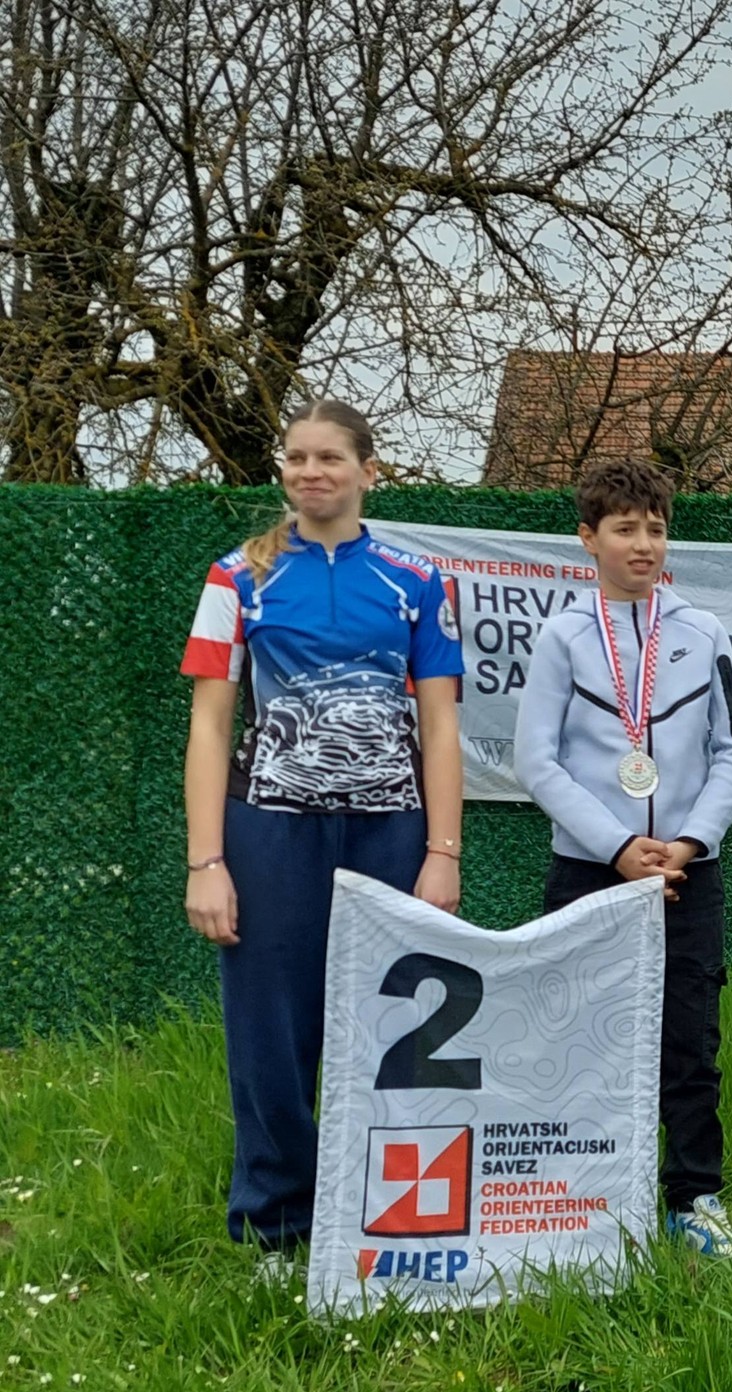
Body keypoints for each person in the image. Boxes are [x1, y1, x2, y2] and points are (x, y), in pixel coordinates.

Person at [181, 400, 465, 1259]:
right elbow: (209, 727)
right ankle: (275, 1227)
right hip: (270, 833)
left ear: (368, 472)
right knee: (269, 1031)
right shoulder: (236, 578)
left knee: (395, 1026)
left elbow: (442, 728)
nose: (311, 472)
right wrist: (206, 861)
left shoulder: (419, 582)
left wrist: (442, 853)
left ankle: (385, 1217)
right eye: (296, 457)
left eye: (330, 457)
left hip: (391, 833)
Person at [514, 458, 732, 1257]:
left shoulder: (704, 632)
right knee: (580, 1035)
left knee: (690, 1039)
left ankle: (694, 1197)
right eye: (624, 529)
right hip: (590, 869)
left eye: (655, 528)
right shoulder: (561, 637)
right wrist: (616, 847)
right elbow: (536, 762)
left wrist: (688, 843)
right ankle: (583, 1199)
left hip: (687, 872)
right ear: (589, 539)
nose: (643, 544)